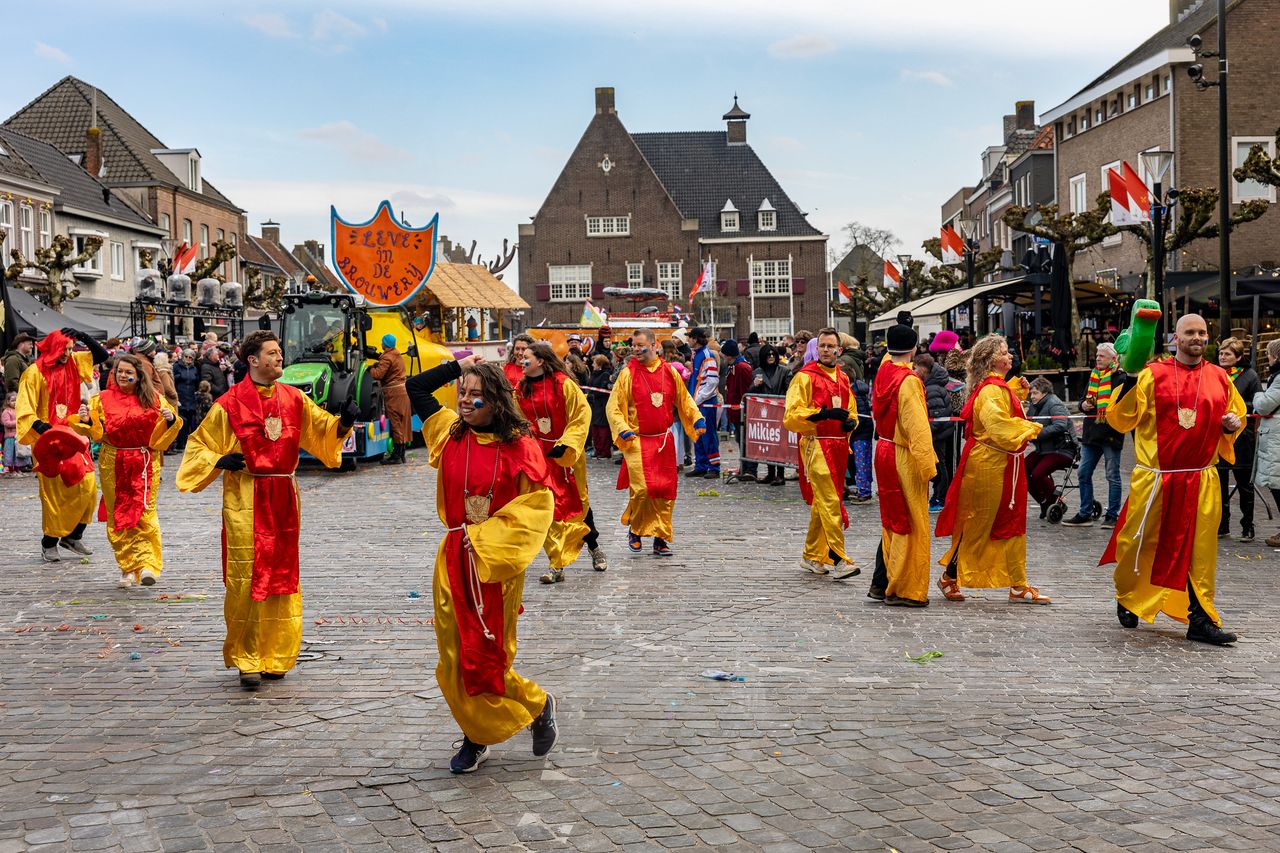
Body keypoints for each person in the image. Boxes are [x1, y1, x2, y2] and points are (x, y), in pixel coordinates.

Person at [405, 356, 560, 774]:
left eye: (476, 395)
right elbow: (415, 387)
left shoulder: (521, 447)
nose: (465, 401)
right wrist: (459, 367)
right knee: (455, 656)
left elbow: (536, 508)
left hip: (495, 565)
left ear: (495, 400)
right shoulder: (449, 433)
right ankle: (477, 734)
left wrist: (486, 540)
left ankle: (535, 705)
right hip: (453, 559)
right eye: (463, 393)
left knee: (487, 657)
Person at [176, 331, 355, 689]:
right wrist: (219, 460)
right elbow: (199, 445)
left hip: (283, 495)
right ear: (253, 360)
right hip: (245, 496)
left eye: (279, 352)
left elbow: (322, 430)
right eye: (272, 353)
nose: (279, 357)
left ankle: (276, 655)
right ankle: (248, 658)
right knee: (247, 575)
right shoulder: (229, 403)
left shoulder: (294, 399)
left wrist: (345, 422)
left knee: (281, 576)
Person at [1102, 314, 1243, 645]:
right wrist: (1130, 376)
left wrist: (1231, 425)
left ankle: (1201, 618)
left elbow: (1233, 415)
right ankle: (1129, 597)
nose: (1197, 337)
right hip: (1157, 480)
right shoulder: (1153, 374)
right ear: (1175, 338)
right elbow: (1122, 417)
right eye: (1189, 332)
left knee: (1200, 551)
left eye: (1202, 332)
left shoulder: (1220, 377)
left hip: (1201, 480)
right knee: (1139, 543)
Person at [935, 334, 1052, 604]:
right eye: (1003, 352)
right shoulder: (990, 390)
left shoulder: (995, 388)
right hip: (989, 465)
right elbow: (997, 425)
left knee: (1011, 522)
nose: (1009, 356)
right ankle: (950, 575)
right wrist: (1030, 428)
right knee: (979, 523)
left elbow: (1002, 411)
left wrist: (1016, 393)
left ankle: (1017, 583)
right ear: (990, 360)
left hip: (1003, 463)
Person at [82, 354, 182, 587]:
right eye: (120, 371)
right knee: (118, 514)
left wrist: (170, 419)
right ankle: (127, 566)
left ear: (138, 376)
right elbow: (96, 433)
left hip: (144, 463)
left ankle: (148, 564)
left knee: (144, 511)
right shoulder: (101, 399)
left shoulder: (153, 398)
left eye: (129, 372)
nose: (123, 375)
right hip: (113, 462)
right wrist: (87, 421)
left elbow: (170, 427)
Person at [606, 328, 704, 556]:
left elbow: (684, 399)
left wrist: (696, 417)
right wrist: (622, 429)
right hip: (637, 441)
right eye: (634, 345)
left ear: (653, 345)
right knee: (642, 489)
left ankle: (661, 537)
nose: (636, 349)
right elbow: (614, 407)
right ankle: (636, 529)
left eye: (640, 345)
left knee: (665, 490)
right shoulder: (627, 374)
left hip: (663, 440)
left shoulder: (669, 372)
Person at [516, 341, 607, 583]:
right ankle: (556, 564)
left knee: (577, 504)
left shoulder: (563, 384)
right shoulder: (521, 388)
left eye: (526, 356)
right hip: (539, 457)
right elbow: (516, 419)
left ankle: (594, 547)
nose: (521, 360)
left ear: (540, 361)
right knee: (548, 507)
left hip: (565, 455)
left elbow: (581, 414)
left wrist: (567, 443)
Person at [17, 328, 109, 562]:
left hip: (73, 435)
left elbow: (101, 356)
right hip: (48, 441)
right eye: (64, 349)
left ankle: (73, 535)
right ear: (53, 349)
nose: (68, 353)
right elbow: (25, 407)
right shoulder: (33, 373)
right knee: (54, 494)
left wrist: (83, 337)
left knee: (88, 486)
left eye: (70, 349)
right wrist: (41, 427)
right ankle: (49, 542)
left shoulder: (75, 363)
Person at [783, 328, 860, 579]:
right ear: (817, 349)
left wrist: (851, 423)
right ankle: (839, 558)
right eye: (822, 346)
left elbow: (851, 410)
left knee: (822, 503)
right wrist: (822, 415)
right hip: (816, 445)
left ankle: (811, 555)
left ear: (839, 349)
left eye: (830, 346)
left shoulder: (843, 378)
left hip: (838, 447)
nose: (826, 350)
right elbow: (792, 414)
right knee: (830, 501)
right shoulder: (804, 377)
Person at [873, 320, 936, 606]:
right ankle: (906, 586)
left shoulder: (883, 371)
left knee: (893, 519)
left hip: (884, 449)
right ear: (913, 349)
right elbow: (917, 427)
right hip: (903, 454)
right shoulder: (909, 381)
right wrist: (929, 465)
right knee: (911, 521)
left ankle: (883, 580)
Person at [1063, 343, 1124, 528]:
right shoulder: (1094, 376)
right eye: (1097, 355)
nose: (1097, 358)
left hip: (1111, 434)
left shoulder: (1120, 378)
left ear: (1113, 359)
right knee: (1083, 473)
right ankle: (1085, 513)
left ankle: (1112, 515)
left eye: (1102, 356)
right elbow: (1083, 400)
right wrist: (1083, 406)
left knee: (1112, 475)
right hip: (1091, 434)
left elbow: (1123, 405)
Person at [1215, 337, 1261, 541]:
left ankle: (1247, 526)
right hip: (1219, 436)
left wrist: (1237, 409)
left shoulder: (1250, 376)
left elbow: (1257, 402)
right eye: (1221, 353)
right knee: (1219, 483)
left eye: (1227, 354)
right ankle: (1222, 525)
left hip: (1242, 437)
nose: (1222, 357)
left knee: (1244, 483)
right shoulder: (1215, 374)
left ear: (1238, 357)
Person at [1023, 377, 1076, 516]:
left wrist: (1035, 434)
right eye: (1031, 393)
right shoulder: (1035, 405)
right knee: (1022, 470)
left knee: (1038, 473)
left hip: (1062, 449)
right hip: (1044, 450)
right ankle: (1044, 502)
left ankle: (1056, 502)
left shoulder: (1054, 404)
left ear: (1044, 392)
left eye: (1035, 393)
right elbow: (1028, 423)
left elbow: (1060, 426)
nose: (1032, 396)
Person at [914, 353, 954, 511]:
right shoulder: (930, 385)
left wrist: (924, 432)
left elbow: (937, 416)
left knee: (939, 465)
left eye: (916, 367)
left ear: (923, 369)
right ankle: (938, 496)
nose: (913, 370)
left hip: (937, 434)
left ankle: (939, 497)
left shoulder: (932, 389)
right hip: (936, 433)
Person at [745, 343, 789, 485]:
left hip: (779, 411)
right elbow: (750, 392)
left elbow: (789, 389)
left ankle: (780, 474)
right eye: (768, 354)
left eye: (773, 354)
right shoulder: (757, 372)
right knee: (768, 443)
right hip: (764, 412)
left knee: (780, 443)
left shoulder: (784, 371)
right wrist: (755, 385)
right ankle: (770, 473)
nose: (771, 357)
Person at [1252, 339, 1280, 547]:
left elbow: (1263, 405)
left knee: (1277, 485)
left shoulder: (1278, 379)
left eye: (1269, 354)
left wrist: (1257, 394)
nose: (1267, 358)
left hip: (1276, 439)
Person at [371, 333, 411, 465]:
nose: (381, 344)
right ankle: (402, 454)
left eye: (382, 342)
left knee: (395, 422)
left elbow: (378, 374)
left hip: (393, 393)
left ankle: (396, 455)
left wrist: (371, 368)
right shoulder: (396, 354)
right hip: (402, 391)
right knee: (401, 422)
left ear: (385, 344)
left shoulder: (387, 357)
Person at [686, 328, 721, 478]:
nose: (688, 340)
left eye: (690, 337)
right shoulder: (696, 354)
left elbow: (712, 381)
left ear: (695, 339)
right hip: (697, 402)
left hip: (705, 403)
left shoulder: (707, 355)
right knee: (698, 434)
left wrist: (697, 399)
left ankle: (714, 466)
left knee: (708, 435)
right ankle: (701, 465)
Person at [722, 340, 754, 480]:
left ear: (729, 355)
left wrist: (744, 411)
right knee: (740, 440)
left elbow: (745, 391)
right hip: (735, 412)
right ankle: (744, 466)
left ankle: (749, 469)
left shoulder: (741, 367)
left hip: (742, 412)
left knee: (745, 441)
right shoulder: (734, 366)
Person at [586, 354, 614, 459]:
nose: (593, 365)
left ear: (599, 364)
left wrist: (593, 394)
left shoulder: (605, 374)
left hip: (602, 404)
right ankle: (597, 450)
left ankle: (605, 451)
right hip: (594, 404)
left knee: (603, 428)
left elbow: (604, 390)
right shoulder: (594, 373)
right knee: (594, 427)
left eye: (594, 363)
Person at [172, 348, 200, 452]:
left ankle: (185, 442)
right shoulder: (176, 366)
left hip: (190, 397)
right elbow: (172, 380)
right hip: (180, 396)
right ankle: (179, 443)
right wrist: (179, 376)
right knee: (181, 420)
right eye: (186, 356)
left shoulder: (194, 368)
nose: (188, 359)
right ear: (182, 356)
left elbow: (196, 381)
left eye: (190, 357)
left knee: (189, 421)